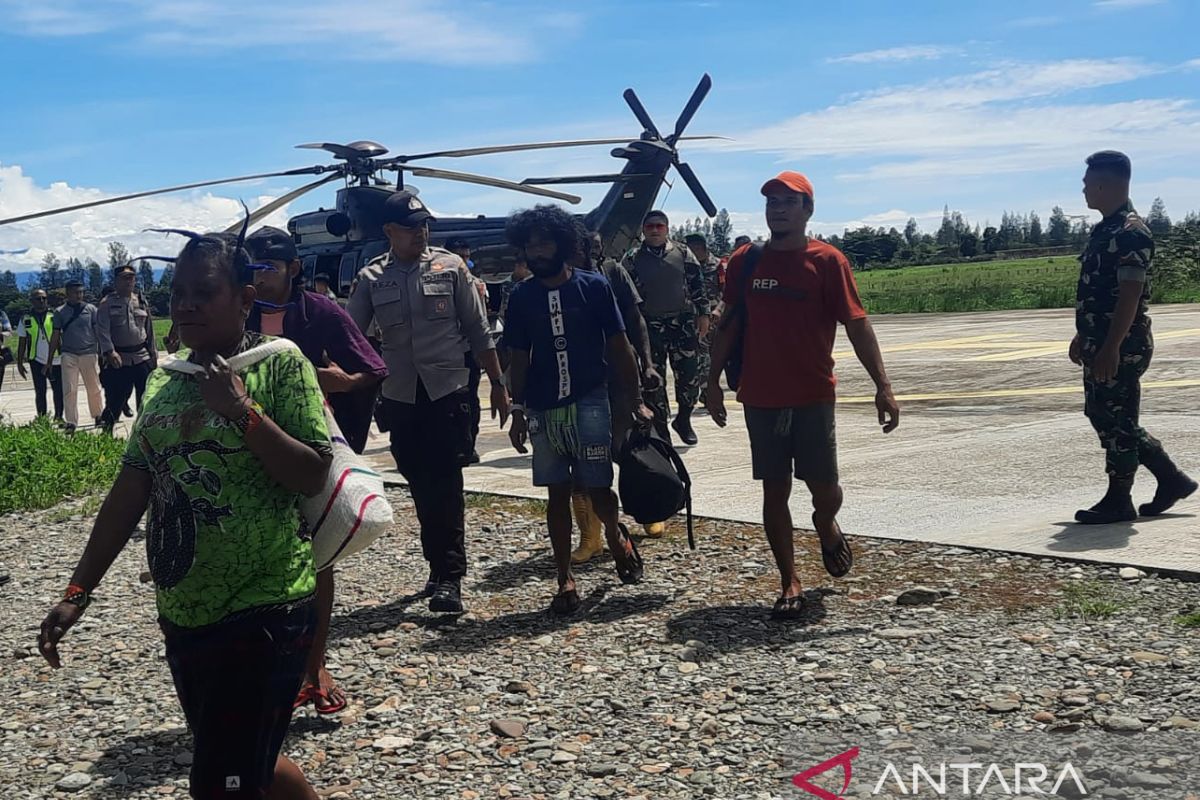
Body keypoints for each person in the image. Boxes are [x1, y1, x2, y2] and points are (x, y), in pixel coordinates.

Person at [38, 228, 332, 800]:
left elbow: (311, 473)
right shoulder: (165, 382)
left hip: (264, 608)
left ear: (245, 299)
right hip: (186, 613)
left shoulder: (279, 366)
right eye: (178, 294)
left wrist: (242, 411)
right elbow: (130, 490)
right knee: (252, 764)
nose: (188, 305)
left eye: (205, 291)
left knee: (218, 783)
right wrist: (77, 590)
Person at [706, 171, 900, 620]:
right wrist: (711, 380)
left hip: (814, 393)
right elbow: (730, 322)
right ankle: (789, 579)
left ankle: (825, 523)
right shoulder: (746, 261)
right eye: (772, 200)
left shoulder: (828, 261)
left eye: (788, 201)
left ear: (807, 210)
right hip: (760, 394)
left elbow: (856, 324)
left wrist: (883, 387)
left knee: (824, 488)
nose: (777, 207)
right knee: (775, 490)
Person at [245, 225, 388, 716]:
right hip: (241, 451)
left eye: (269, 269)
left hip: (307, 453)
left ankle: (314, 667)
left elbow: (373, 368)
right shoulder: (233, 310)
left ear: (294, 268)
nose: (260, 279)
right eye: (253, 269)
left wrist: (345, 382)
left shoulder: (322, 312)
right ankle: (254, 674)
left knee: (315, 558)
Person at [347, 191, 510, 614]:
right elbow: (352, 337)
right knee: (420, 484)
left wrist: (498, 382)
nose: (420, 234)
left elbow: (478, 330)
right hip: (399, 395)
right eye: (410, 228)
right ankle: (437, 567)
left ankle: (451, 577)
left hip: (448, 392)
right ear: (389, 232)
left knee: (447, 482)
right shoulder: (371, 278)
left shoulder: (450, 268)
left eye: (424, 227)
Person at [502, 205, 648, 614]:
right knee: (557, 494)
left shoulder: (595, 287)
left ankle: (617, 540)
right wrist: (517, 409)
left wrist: (635, 401)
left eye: (545, 241)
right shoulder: (521, 297)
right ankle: (564, 577)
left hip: (591, 400)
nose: (537, 250)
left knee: (599, 488)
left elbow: (620, 346)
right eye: (530, 243)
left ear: (564, 244)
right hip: (544, 408)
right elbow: (518, 354)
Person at [1070, 151, 1197, 523]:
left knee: (1118, 418)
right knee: (1101, 412)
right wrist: (1084, 337)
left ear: (1105, 185)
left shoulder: (1130, 232)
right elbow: (1098, 292)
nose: (1083, 190)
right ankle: (1171, 479)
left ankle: (1119, 498)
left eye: (1087, 183)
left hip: (1122, 344)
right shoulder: (1104, 230)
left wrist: (1111, 347)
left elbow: (1130, 295)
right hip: (1100, 341)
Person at [568, 228, 662, 561]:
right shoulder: (558, 278)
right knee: (583, 461)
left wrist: (647, 364)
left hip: (620, 375)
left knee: (628, 449)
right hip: (580, 382)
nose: (593, 254)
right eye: (585, 248)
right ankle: (590, 537)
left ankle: (650, 511)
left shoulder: (613, 271)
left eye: (596, 248)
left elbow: (636, 320)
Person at [622, 210, 710, 447]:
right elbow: (623, 295)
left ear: (667, 229)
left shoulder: (682, 252)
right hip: (650, 326)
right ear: (643, 230)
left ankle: (683, 418)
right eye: (650, 226)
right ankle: (661, 430)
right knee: (654, 381)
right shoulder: (631, 258)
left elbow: (697, 283)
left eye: (659, 226)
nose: (654, 230)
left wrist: (704, 314)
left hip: (682, 324)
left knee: (690, 376)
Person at [96, 265, 158, 430]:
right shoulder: (107, 304)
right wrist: (109, 352)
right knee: (116, 399)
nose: (129, 281)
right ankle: (107, 432)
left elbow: (149, 329)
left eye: (131, 277)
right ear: (116, 281)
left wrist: (153, 354)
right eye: (124, 278)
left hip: (141, 356)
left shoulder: (141, 301)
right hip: (119, 358)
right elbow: (102, 330)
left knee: (146, 398)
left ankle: (144, 433)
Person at [47, 281, 103, 433]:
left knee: (94, 388)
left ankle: (98, 415)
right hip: (69, 354)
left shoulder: (91, 309)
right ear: (67, 294)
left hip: (89, 353)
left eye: (81, 292)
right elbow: (55, 336)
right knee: (69, 389)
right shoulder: (59, 312)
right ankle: (71, 421)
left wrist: (103, 351)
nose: (79, 295)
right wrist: (50, 360)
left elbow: (98, 332)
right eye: (75, 292)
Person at [685, 233, 724, 411]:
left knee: (717, 354)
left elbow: (727, 290)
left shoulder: (717, 266)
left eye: (694, 249)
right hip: (695, 318)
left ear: (702, 248)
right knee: (701, 355)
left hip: (716, 317)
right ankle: (705, 391)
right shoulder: (685, 265)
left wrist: (719, 310)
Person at [16, 289, 64, 421]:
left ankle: (59, 416)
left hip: (56, 359)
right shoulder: (26, 319)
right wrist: (19, 363)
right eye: (38, 299)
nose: (42, 301)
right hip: (36, 360)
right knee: (40, 390)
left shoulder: (55, 315)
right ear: (31, 301)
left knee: (58, 390)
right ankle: (42, 418)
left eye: (44, 298)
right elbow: (22, 341)